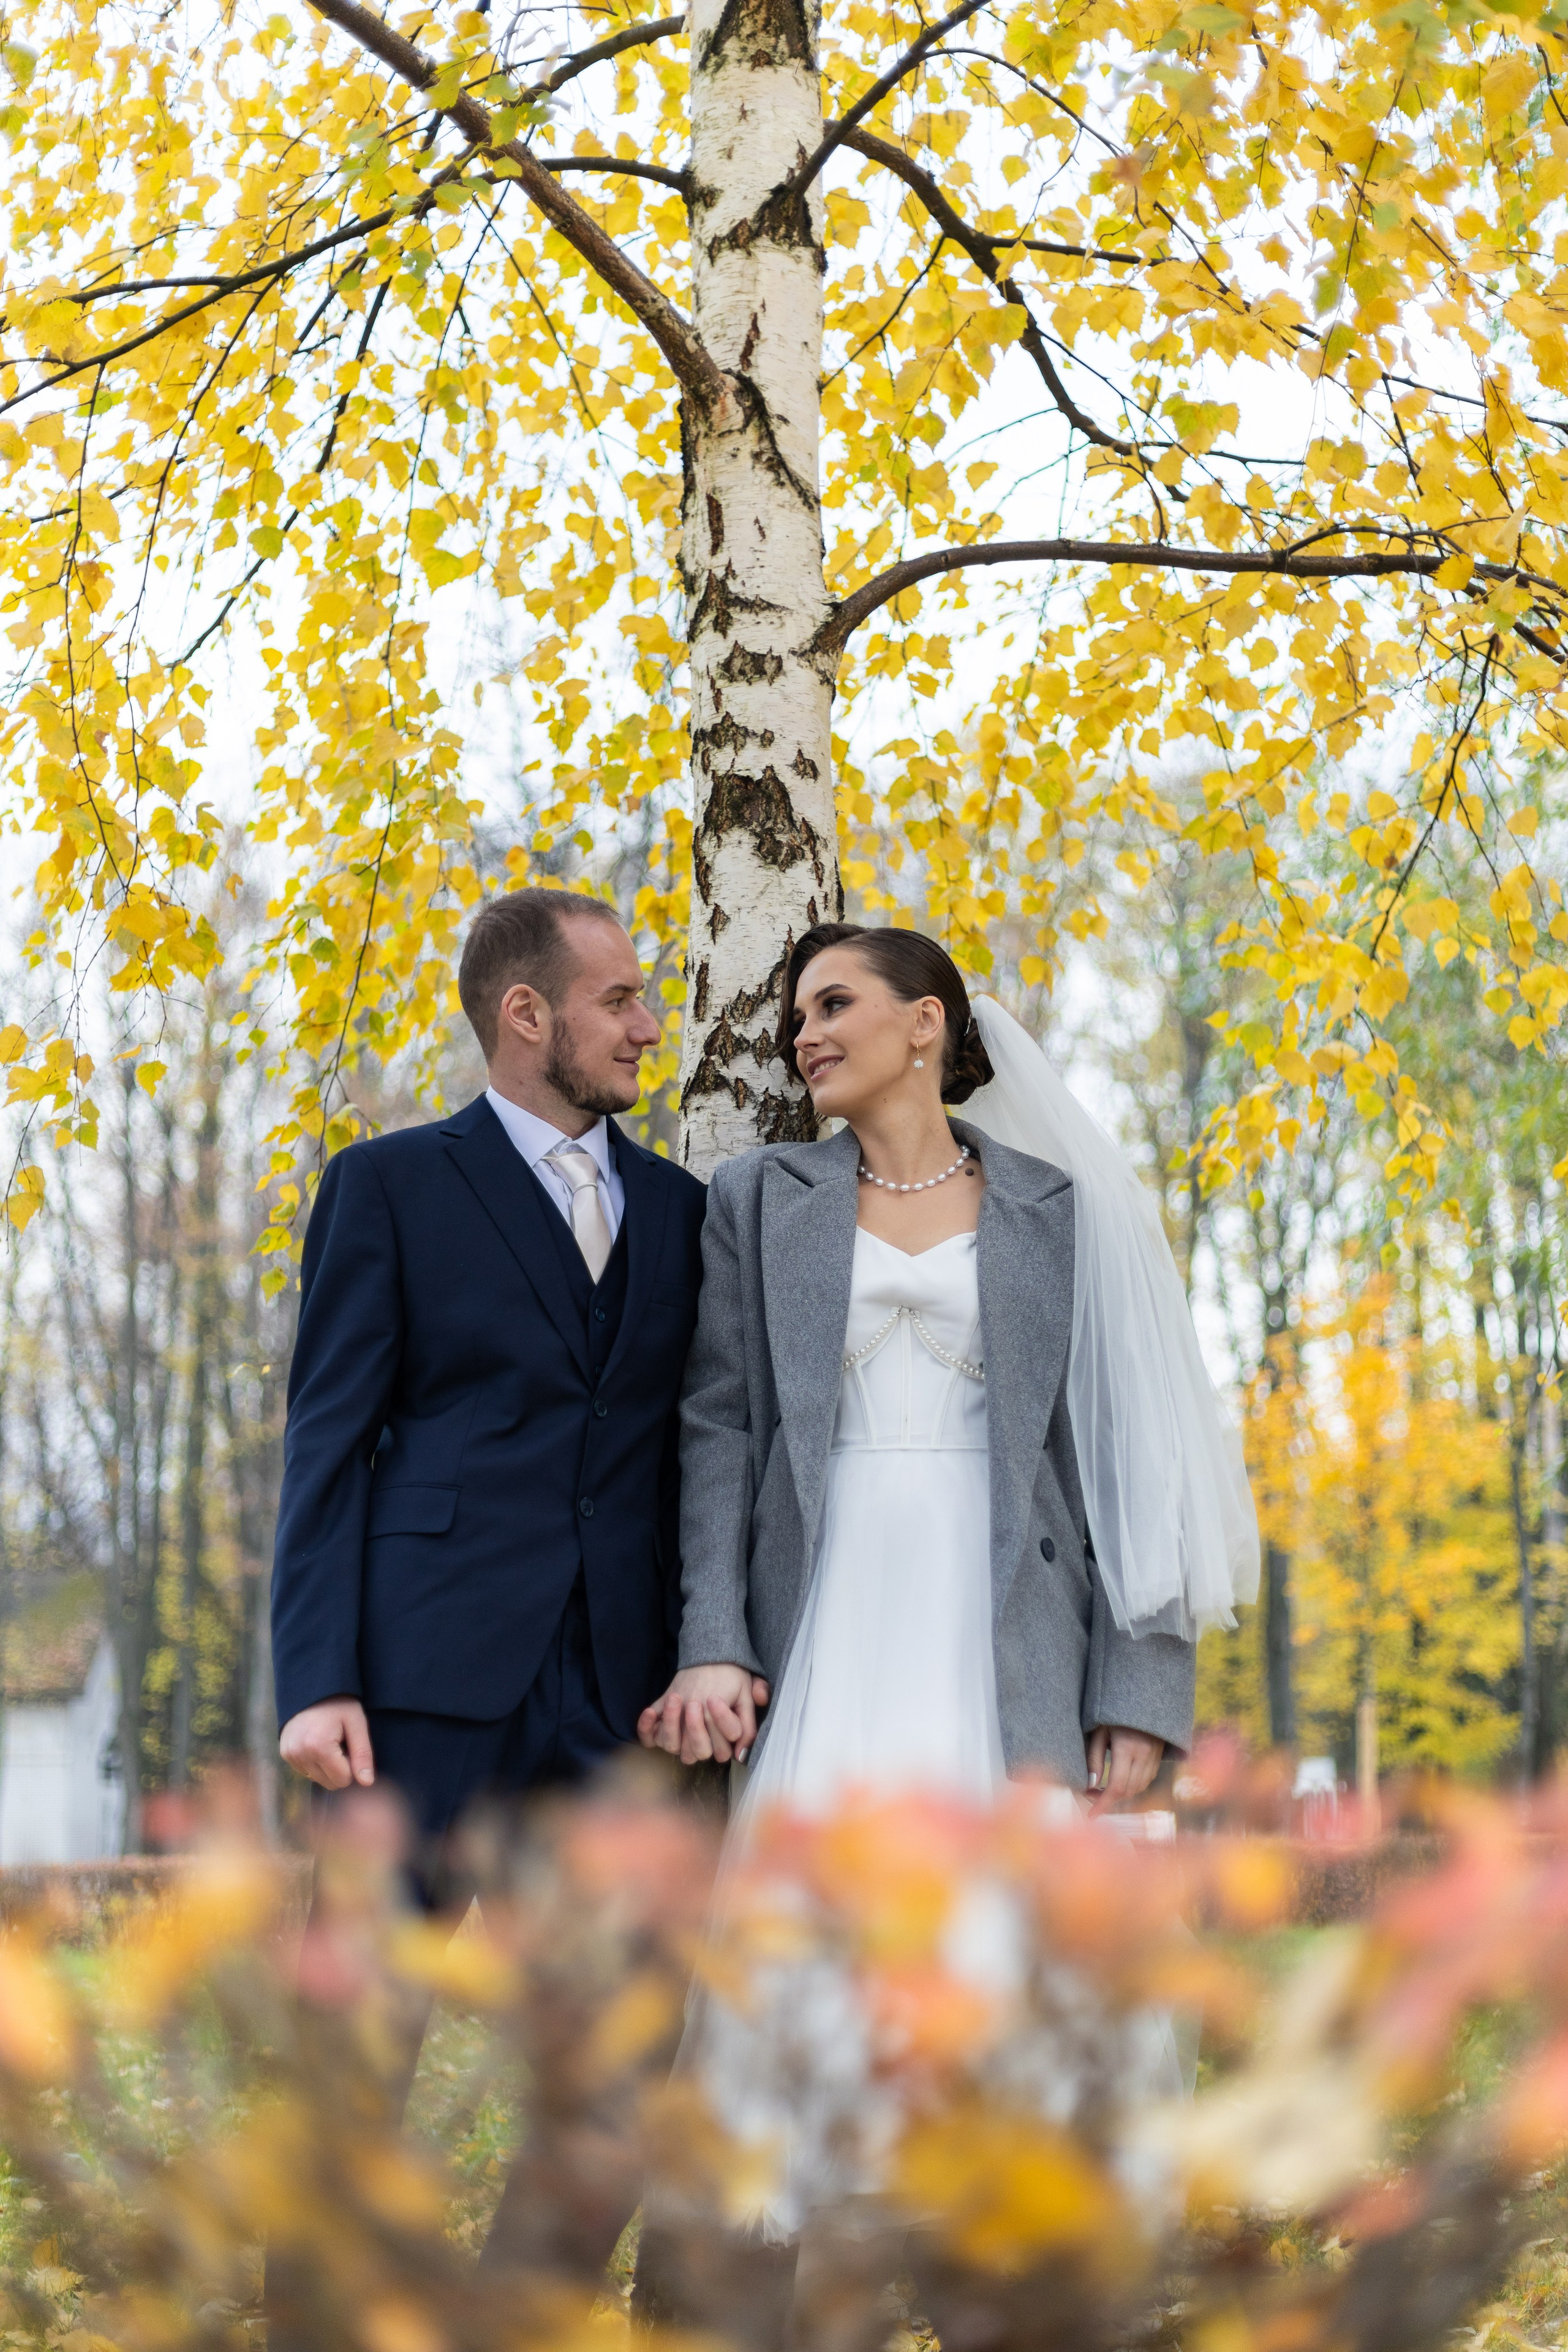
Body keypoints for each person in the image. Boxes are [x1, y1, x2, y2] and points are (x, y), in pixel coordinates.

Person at [636, 921, 1258, 2248]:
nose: (804, 1031)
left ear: (925, 1025)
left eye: (834, 1002)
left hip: (1009, 1638)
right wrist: (710, 1636)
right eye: (795, 1010)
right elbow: (716, 1431)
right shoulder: (756, 1200)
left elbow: (1125, 1448)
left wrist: (1140, 1687)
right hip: (827, 1626)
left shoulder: (1054, 1205)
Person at [269, 885, 706, 2283]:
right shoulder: (388, 1186)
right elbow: (327, 1443)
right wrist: (316, 1677)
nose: (649, 1024)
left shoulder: (683, 1208)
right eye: (620, 999)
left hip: (612, 1706)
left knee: (621, 2057)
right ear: (527, 1017)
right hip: (418, 1693)